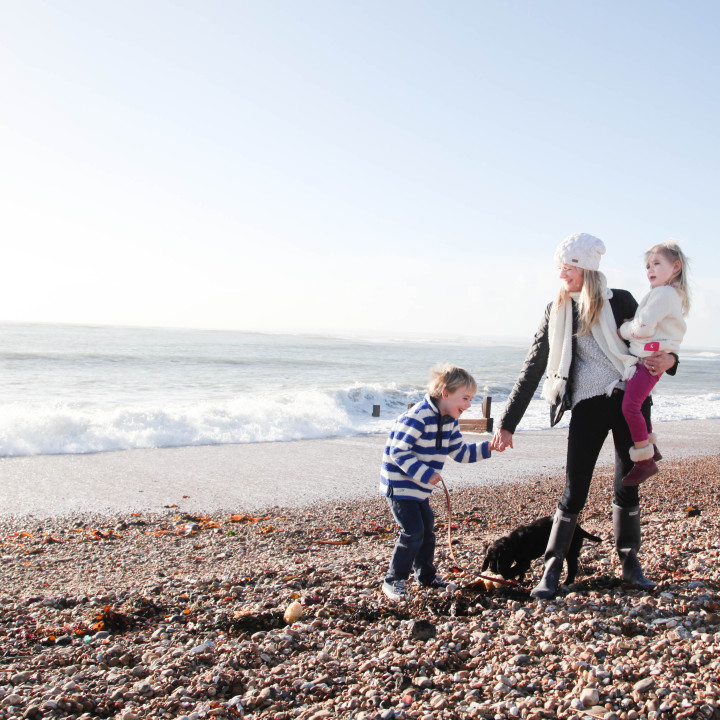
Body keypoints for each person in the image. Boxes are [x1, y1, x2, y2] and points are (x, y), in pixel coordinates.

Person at [491, 233, 677, 599]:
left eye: (569, 265)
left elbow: (657, 339)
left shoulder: (620, 301)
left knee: (627, 483)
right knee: (575, 489)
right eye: (560, 265)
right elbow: (534, 367)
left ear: (587, 268)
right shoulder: (555, 310)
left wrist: (672, 360)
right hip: (588, 407)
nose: (562, 272)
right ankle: (552, 568)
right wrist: (507, 423)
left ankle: (630, 564)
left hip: (629, 403)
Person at [379, 364, 492, 602]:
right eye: (465, 398)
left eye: (471, 399)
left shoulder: (449, 421)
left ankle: (426, 577)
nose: (469, 405)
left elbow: (461, 453)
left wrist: (489, 446)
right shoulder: (418, 416)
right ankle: (393, 580)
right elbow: (398, 452)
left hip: (420, 488)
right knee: (413, 531)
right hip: (399, 484)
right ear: (446, 394)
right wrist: (424, 472)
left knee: (427, 531)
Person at [618, 242, 690, 486]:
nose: (650, 269)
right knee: (638, 403)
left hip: (650, 361)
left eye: (657, 263)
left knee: (631, 407)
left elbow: (643, 328)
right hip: (650, 358)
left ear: (676, 267)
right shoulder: (665, 293)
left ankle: (644, 460)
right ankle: (652, 445)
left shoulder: (664, 294)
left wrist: (623, 329)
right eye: (648, 265)